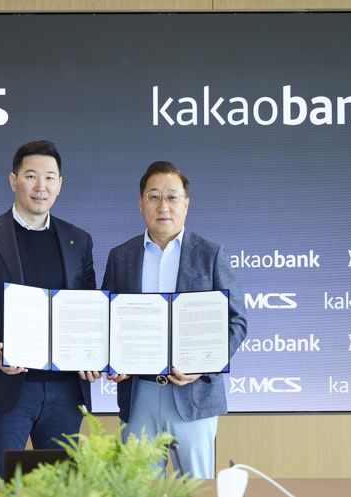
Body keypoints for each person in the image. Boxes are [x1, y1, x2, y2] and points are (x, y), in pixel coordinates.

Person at [0, 140, 96, 479]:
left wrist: (93, 352)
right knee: (0, 483)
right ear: (13, 180)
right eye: (31, 176)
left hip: (65, 390)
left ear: (60, 184)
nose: (41, 186)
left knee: (60, 485)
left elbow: (89, 309)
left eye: (50, 177)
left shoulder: (78, 240)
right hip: (5, 385)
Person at [102, 160, 247, 479]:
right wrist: (110, 361)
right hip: (139, 395)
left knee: (196, 489)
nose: (163, 206)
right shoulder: (121, 257)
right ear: (140, 203)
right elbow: (106, 321)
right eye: (154, 197)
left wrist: (204, 364)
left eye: (172, 197)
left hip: (193, 396)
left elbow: (236, 321)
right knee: (138, 488)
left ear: (186, 203)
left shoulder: (211, 254)